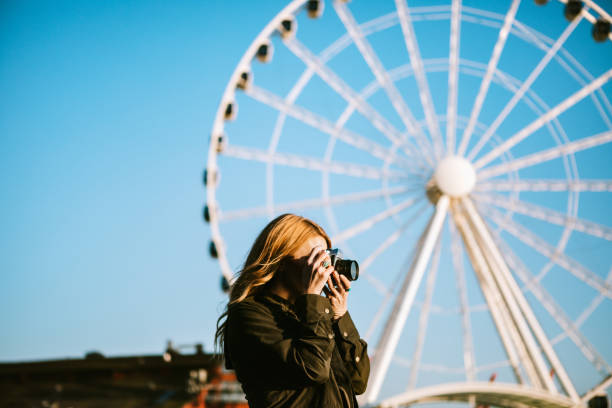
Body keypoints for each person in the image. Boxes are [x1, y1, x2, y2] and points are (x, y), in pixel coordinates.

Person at [215, 213, 370, 408]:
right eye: (315, 258)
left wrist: (340, 316)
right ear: (280, 262)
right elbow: (313, 369)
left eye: (326, 258)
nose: (323, 268)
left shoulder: (314, 315)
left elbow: (358, 380)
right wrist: (313, 299)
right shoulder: (248, 315)